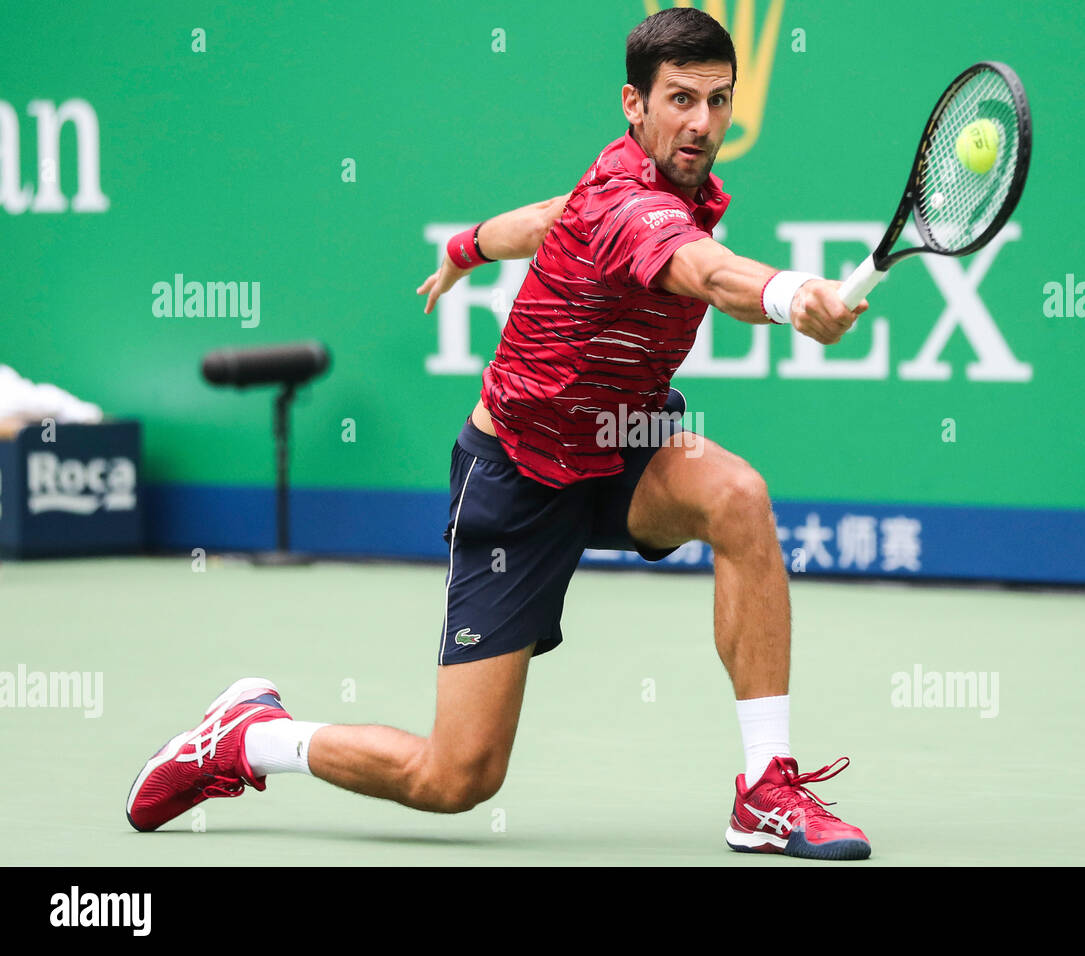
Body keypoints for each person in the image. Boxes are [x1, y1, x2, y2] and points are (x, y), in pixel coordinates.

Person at [127, 7, 872, 860]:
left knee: (738, 496)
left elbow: (551, 215)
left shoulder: (636, 187)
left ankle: (766, 792)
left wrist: (465, 246)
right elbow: (705, 270)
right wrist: (786, 295)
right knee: (455, 778)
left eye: (717, 99)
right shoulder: (638, 209)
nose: (702, 122)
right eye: (680, 100)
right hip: (519, 476)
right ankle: (252, 737)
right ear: (634, 104)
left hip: (624, 440)